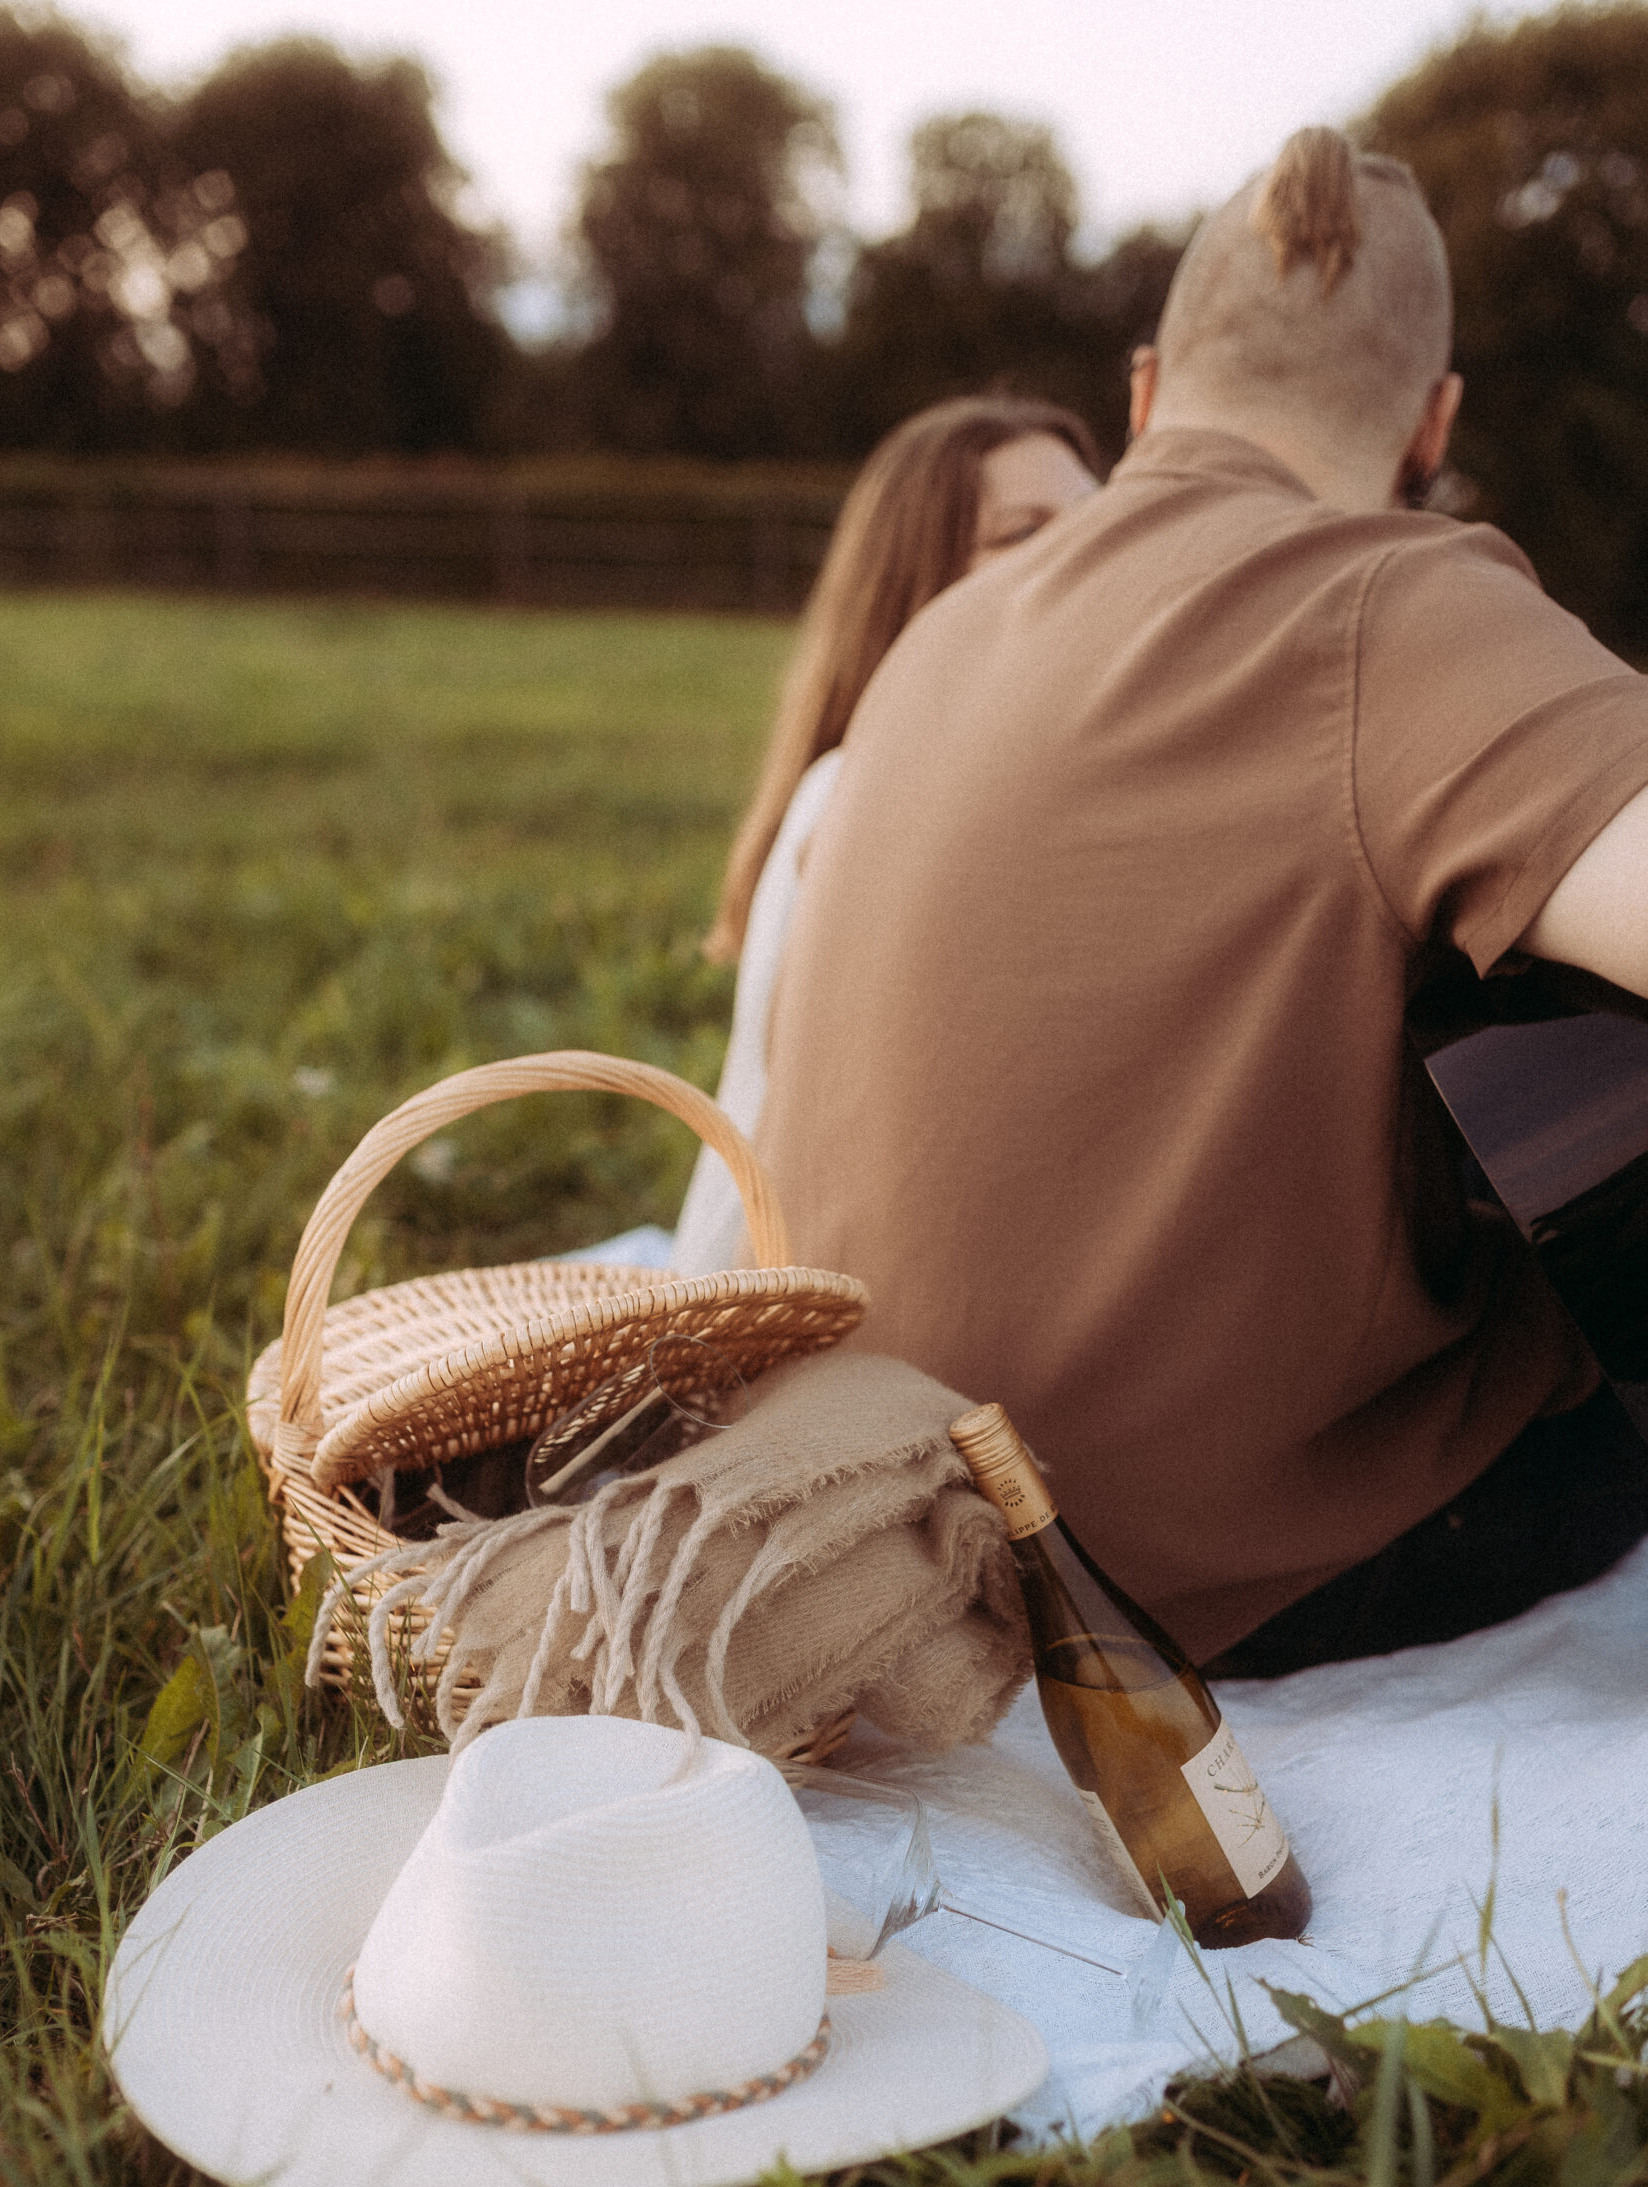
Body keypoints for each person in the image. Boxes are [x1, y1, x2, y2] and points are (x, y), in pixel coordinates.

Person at [753, 126, 1648, 1676]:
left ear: (1146, 391)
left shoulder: (936, 639)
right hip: (1208, 1579)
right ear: (1429, 427)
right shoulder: (1389, 598)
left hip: (893, 1518)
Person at [669, 395, 1102, 1276]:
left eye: (1100, 523)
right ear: (920, 580)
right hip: (787, 1307)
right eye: (1024, 532)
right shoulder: (859, 796)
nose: (1087, 555)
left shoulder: (1055, 780)